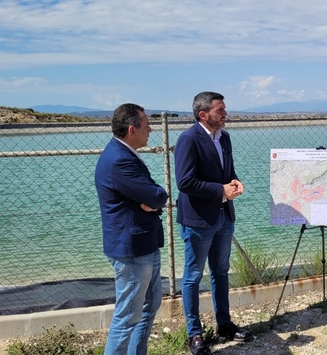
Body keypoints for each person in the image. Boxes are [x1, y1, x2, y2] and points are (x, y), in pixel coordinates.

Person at [175, 91, 252, 355]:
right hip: (198, 220)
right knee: (193, 277)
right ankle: (194, 335)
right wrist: (220, 190)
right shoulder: (188, 139)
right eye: (221, 110)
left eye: (225, 109)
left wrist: (235, 181)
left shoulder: (225, 138)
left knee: (220, 272)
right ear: (203, 114)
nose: (226, 113)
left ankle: (224, 324)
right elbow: (185, 182)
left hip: (223, 217)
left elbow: (226, 172)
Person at [94, 103, 169, 355]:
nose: (151, 130)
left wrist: (151, 197)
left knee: (150, 304)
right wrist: (153, 197)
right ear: (131, 130)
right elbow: (158, 195)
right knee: (127, 317)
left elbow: (152, 193)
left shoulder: (124, 154)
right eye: (146, 125)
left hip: (144, 244)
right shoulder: (119, 161)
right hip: (132, 249)